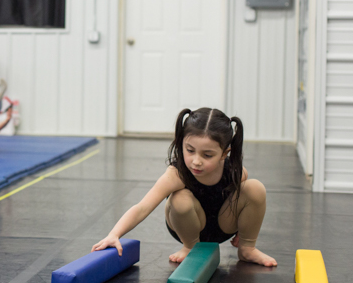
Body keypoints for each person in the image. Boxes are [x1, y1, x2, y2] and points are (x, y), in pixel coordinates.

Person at [92, 108, 277, 267]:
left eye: (207, 155)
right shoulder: (177, 174)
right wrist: (114, 234)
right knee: (179, 199)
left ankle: (247, 249)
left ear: (224, 153)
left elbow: (247, 204)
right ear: (182, 143)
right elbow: (142, 207)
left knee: (255, 188)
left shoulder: (235, 171)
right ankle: (190, 247)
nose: (196, 161)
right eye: (190, 151)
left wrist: (241, 232)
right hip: (187, 226)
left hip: (222, 227)